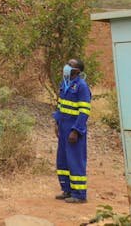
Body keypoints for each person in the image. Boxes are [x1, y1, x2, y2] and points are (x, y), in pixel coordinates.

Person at [53, 58, 91, 204]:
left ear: (77, 71)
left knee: (75, 160)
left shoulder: (82, 86)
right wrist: (56, 123)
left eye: (70, 65)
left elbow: (84, 111)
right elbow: (60, 105)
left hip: (74, 128)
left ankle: (80, 195)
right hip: (63, 127)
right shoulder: (65, 83)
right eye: (67, 64)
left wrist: (76, 130)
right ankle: (67, 190)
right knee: (62, 160)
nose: (66, 67)